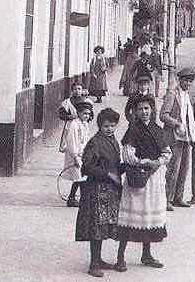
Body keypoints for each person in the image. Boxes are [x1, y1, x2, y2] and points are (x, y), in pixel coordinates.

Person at [114, 97, 170, 270]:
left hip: (154, 180)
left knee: (148, 217)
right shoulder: (133, 130)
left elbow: (167, 152)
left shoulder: (157, 130)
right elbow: (128, 155)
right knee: (131, 216)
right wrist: (146, 163)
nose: (144, 112)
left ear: (152, 110)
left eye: (147, 108)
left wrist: (158, 162)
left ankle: (146, 254)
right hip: (137, 178)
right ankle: (120, 257)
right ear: (135, 112)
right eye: (140, 109)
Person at [76, 108, 123, 278]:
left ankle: (99, 260)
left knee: (104, 226)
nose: (109, 129)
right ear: (99, 126)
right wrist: (109, 174)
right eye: (106, 126)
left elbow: (115, 164)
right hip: (96, 190)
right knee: (96, 226)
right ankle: (94, 263)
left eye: (112, 125)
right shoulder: (95, 142)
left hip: (110, 191)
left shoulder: (113, 141)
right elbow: (87, 167)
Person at [160, 68, 195, 210]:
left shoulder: (187, 96)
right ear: (180, 80)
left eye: (190, 81)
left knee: (184, 168)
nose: (188, 84)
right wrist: (176, 123)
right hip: (174, 137)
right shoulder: (172, 95)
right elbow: (163, 115)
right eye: (186, 80)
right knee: (173, 169)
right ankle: (167, 199)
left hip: (186, 136)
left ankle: (178, 197)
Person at [61, 100, 95, 207]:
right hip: (74, 154)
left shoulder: (84, 124)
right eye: (84, 113)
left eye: (88, 114)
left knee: (80, 177)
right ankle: (75, 198)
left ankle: (73, 197)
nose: (86, 116)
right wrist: (75, 156)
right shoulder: (74, 125)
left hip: (82, 154)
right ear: (78, 113)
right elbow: (72, 141)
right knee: (79, 177)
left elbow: (85, 140)